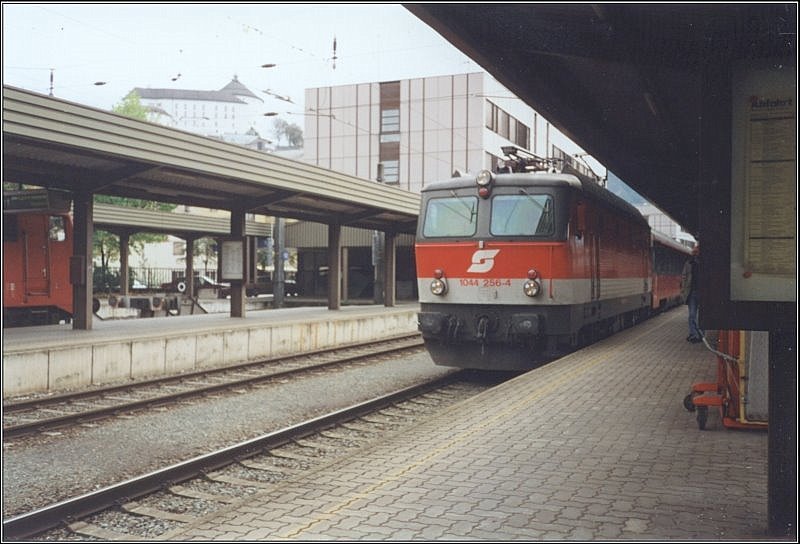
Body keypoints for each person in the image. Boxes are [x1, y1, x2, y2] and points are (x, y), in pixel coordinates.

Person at [681, 243, 702, 343]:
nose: (696, 253)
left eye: (698, 251)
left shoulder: (706, 263)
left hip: (703, 293)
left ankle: (700, 334)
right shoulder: (689, 263)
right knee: (692, 315)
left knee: (701, 315)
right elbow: (684, 277)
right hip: (692, 292)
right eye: (695, 251)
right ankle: (694, 334)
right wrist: (684, 290)